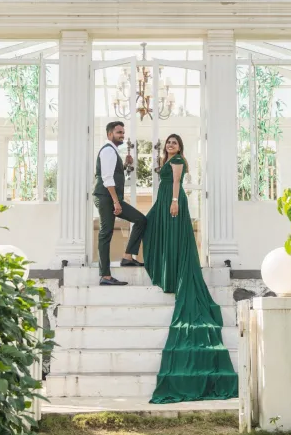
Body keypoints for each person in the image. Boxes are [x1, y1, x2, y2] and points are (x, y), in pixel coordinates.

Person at [143, 134, 238, 403]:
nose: (170, 146)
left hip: (172, 202)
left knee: (171, 237)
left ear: (180, 147)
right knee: (152, 227)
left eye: (174, 142)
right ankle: (167, 269)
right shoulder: (167, 159)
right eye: (168, 143)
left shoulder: (177, 160)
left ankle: (174, 273)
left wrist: (174, 201)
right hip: (164, 201)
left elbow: (175, 182)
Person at [93, 121, 147, 286]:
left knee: (140, 220)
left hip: (110, 198)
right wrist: (116, 202)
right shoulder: (108, 150)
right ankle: (105, 276)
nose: (122, 135)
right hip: (106, 198)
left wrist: (124, 165)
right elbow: (107, 178)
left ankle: (127, 257)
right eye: (119, 132)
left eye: (123, 132)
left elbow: (112, 173)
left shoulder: (113, 151)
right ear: (110, 134)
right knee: (105, 233)